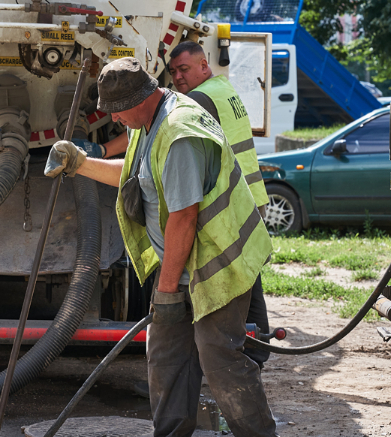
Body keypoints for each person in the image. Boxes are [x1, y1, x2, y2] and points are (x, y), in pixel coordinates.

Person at [45, 57, 293, 437]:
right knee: (166, 353)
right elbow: (139, 179)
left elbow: (182, 216)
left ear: (140, 99)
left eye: (118, 112)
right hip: (187, 261)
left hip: (217, 261)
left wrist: (165, 290)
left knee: (219, 354)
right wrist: (80, 163)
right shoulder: (151, 121)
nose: (116, 120)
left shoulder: (178, 133)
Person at [76, 42, 272, 369]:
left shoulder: (189, 107)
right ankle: (253, 350)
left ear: (205, 66)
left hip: (221, 208)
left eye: (185, 70)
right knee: (244, 281)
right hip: (240, 198)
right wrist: (83, 163)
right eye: (174, 71)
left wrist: (102, 150)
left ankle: (249, 355)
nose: (178, 77)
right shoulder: (222, 88)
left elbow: (182, 215)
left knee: (230, 295)